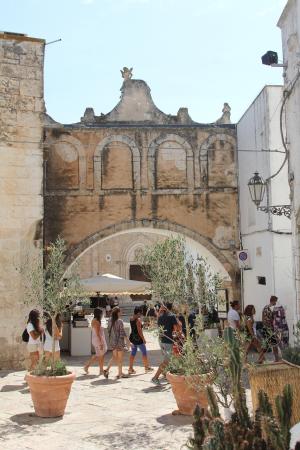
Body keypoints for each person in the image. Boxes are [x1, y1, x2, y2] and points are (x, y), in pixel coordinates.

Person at [151, 303, 179, 385]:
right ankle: (155, 377)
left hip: (161, 340)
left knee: (168, 358)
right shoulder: (172, 316)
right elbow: (176, 328)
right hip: (168, 341)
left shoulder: (160, 317)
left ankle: (166, 374)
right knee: (166, 361)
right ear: (171, 308)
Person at [104, 307, 132, 379]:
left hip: (112, 341)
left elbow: (108, 330)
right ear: (117, 313)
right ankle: (120, 374)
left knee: (114, 357)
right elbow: (122, 332)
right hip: (119, 342)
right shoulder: (120, 321)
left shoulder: (110, 320)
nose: (121, 313)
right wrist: (128, 341)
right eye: (120, 312)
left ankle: (107, 370)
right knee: (120, 359)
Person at [128, 307, 153, 374]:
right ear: (138, 313)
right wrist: (143, 339)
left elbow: (135, 328)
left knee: (133, 353)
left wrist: (143, 324)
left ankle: (130, 368)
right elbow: (139, 331)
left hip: (133, 338)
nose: (141, 315)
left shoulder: (131, 318)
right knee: (144, 352)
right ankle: (146, 367)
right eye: (140, 313)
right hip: (139, 339)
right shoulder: (138, 320)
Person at [84, 308, 107, 375]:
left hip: (96, 339)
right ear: (99, 314)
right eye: (102, 313)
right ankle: (88, 366)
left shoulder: (94, 320)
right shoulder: (96, 321)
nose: (102, 314)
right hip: (98, 340)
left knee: (100, 355)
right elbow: (98, 333)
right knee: (100, 355)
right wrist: (101, 342)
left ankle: (100, 370)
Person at [262, 295, 280, 362]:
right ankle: (277, 359)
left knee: (264, 344)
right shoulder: (272, 308)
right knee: (274, 344)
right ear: (273, 301)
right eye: (276, 301)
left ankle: (261, 359)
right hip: (270, 329)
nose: (276, 302)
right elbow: (273, 320)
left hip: (265, 328)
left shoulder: (265, 307)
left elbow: (263, 318)